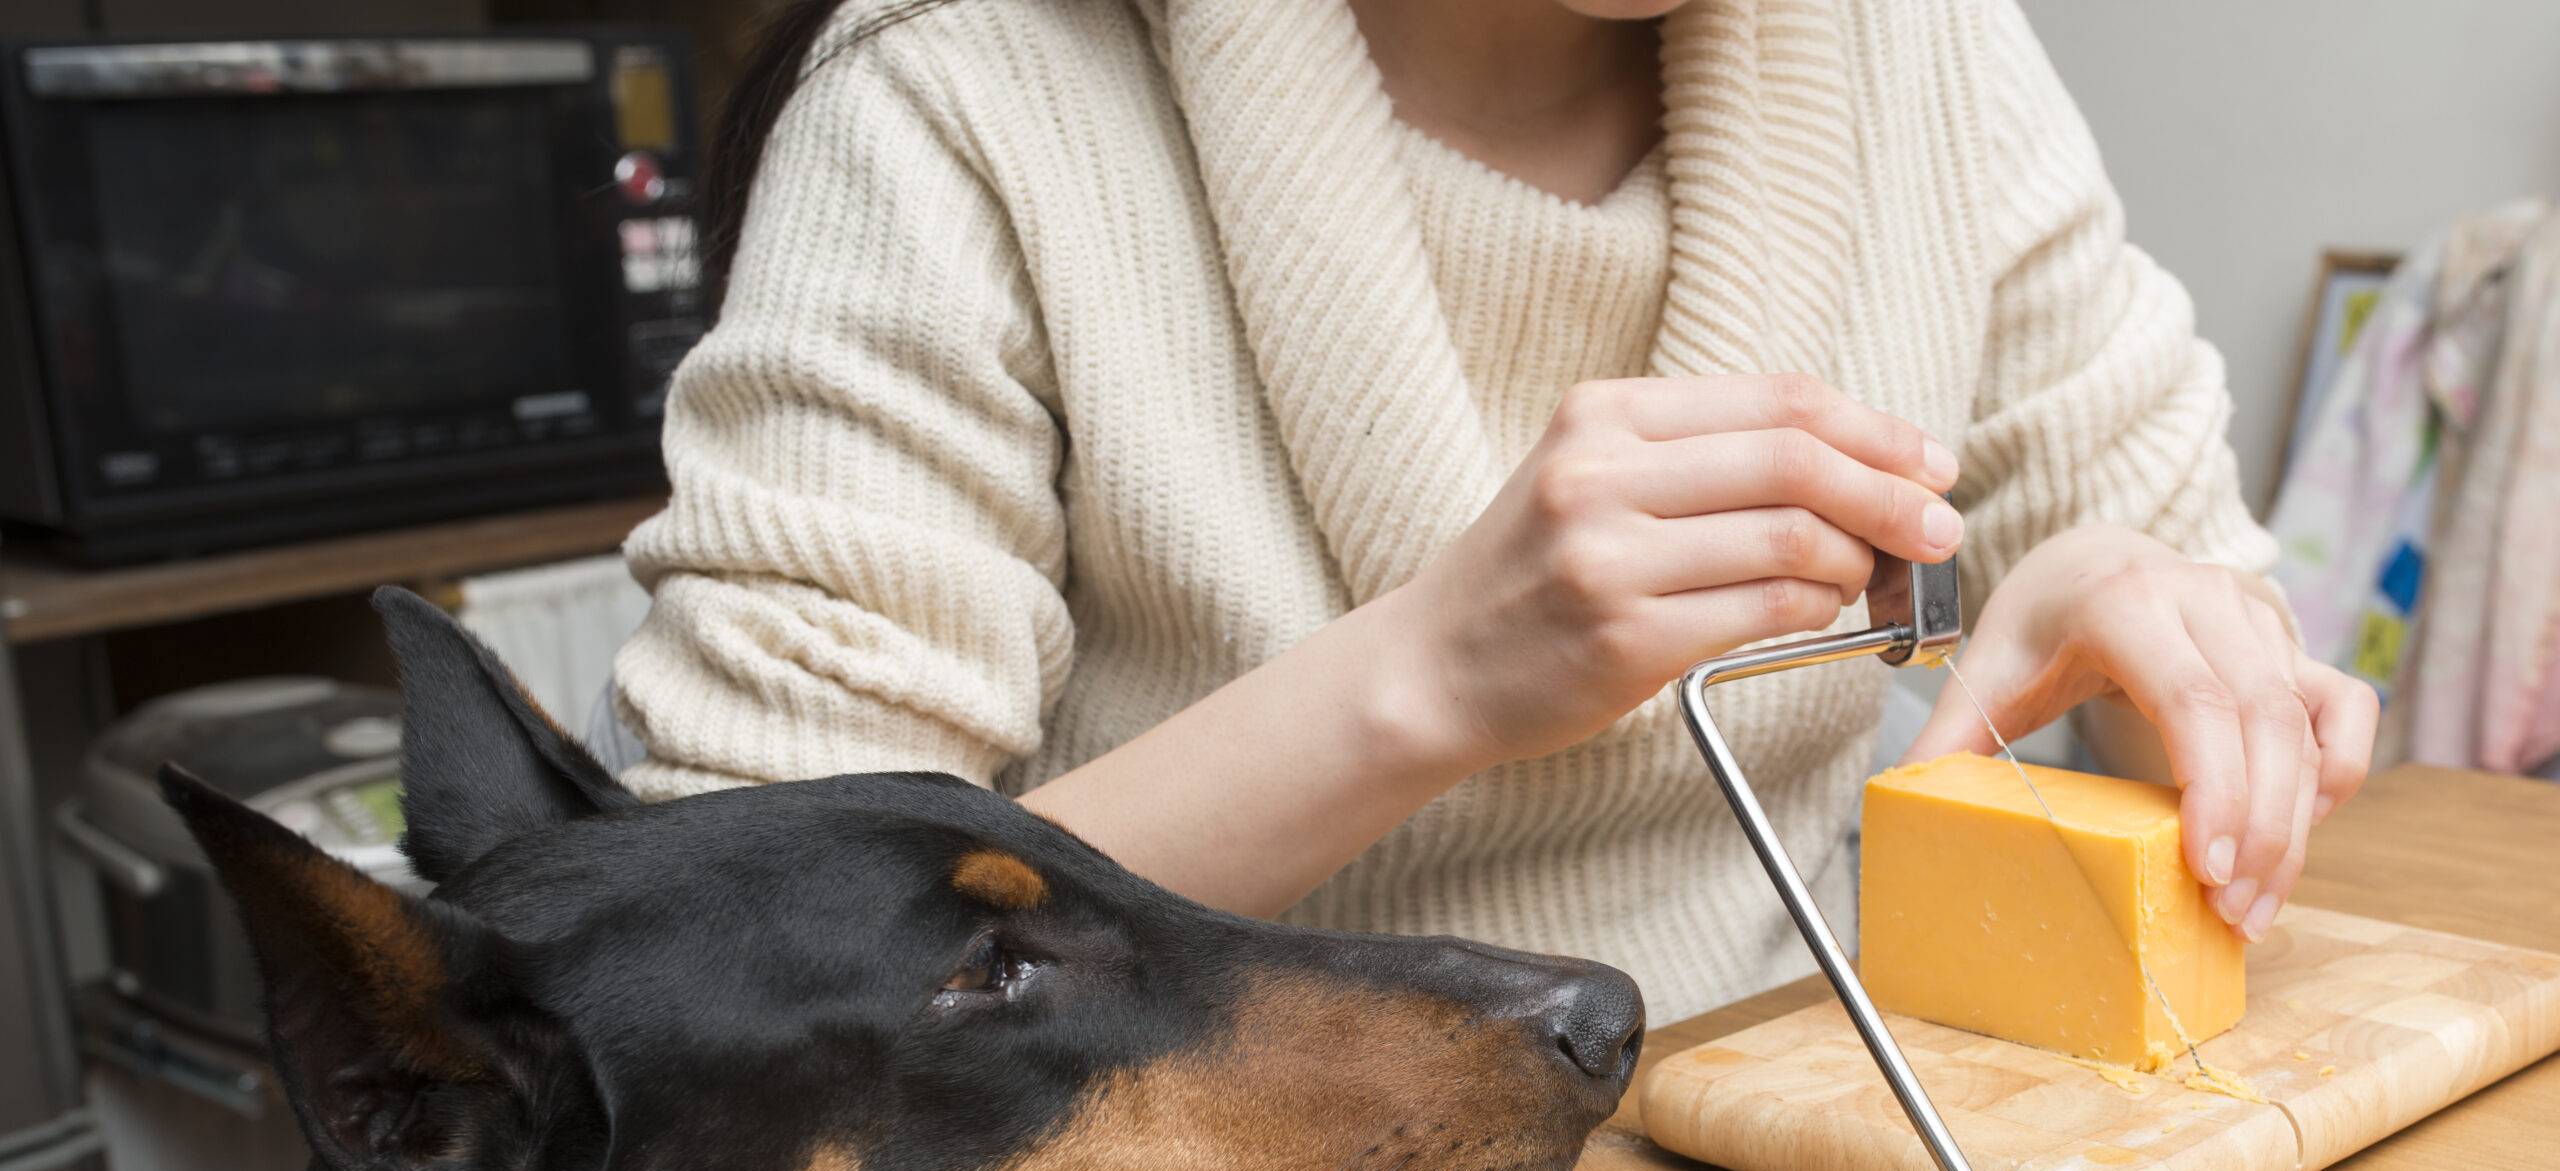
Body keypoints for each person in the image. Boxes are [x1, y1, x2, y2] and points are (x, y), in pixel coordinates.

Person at [606, 0, 2378, 1024]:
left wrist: (2142, 629)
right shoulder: (951, 99)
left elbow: (2223, 695)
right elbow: (729, 982)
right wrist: (1425, 684)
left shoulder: (1921, 49)